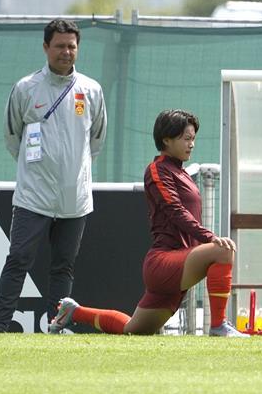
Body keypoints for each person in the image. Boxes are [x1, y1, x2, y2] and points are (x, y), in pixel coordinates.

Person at [47, 110, 246, 337]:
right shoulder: (157, 169)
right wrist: (210, 238)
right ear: (166, 140)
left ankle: (73, 312)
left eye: (193, 139)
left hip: (181, 262)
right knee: (223, 250)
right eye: (186, 138)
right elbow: (174, 210)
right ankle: (218, 326)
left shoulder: (181, 173)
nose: (192, 144)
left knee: (133, 329)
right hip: (164, 263)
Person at [0, 19, 107, 332]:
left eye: (71, 46)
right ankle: (0, 327)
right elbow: (12, 137)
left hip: (74, 200)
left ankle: (56, 328)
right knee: (18, 260)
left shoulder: (91, 90)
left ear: (78, 48)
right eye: (59, 46)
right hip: (33, 196)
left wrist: (73, 170)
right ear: (45, 47)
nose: (66, 52)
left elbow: (96, 140)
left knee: (63, 267)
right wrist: (39, 171)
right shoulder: (26, 88)